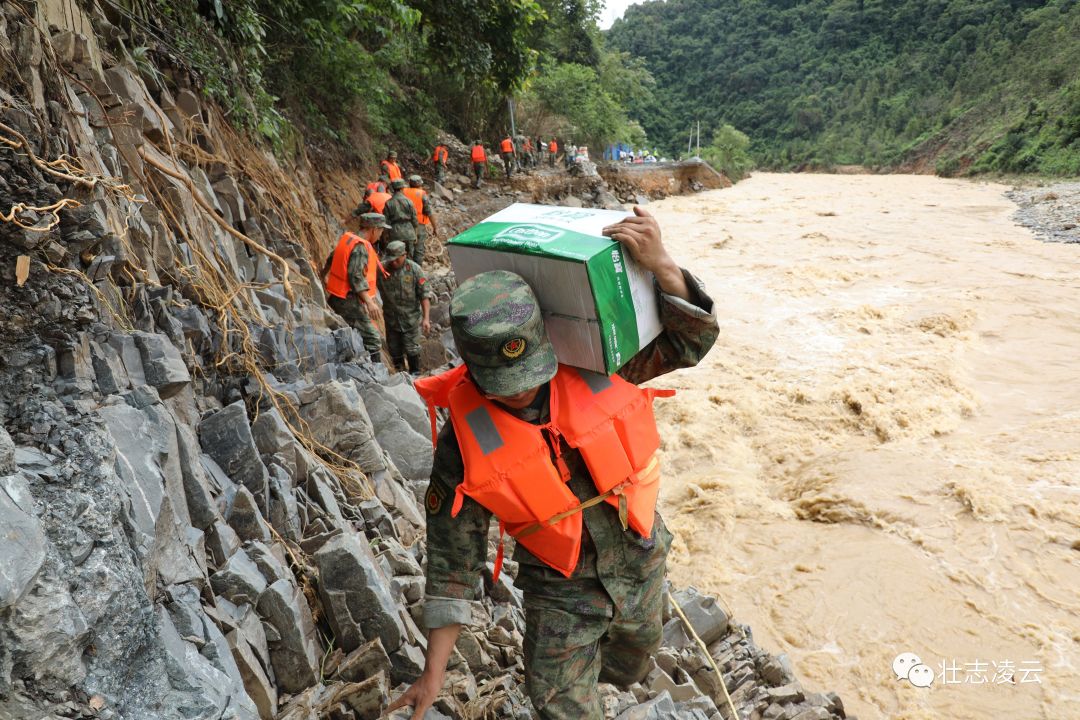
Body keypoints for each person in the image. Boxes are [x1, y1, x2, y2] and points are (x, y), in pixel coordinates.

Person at [387, 207, 719, 720]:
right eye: (505, 384)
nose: (521, 390)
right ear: (472, 372)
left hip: (639, 561)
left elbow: (689, 342)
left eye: (529, 374)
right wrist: (434, 674)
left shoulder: (592, 364)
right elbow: (453, 561)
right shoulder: (465, 443)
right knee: (556, 699)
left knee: (632, 664)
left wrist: (662, 264)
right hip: (559, 588)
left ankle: (613, 666)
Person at [320, 213, 391, 364]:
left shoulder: (348, 239)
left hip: (336, 297)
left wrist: (323, 277)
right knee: (373, 338)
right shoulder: (361, 247)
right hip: (348, 300)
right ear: (373, 229)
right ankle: (378, 375)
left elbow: (331, 258)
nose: (381, 235)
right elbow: (356, 276)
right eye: (380, 231)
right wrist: (370, 302)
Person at [376, 240, 433, 375]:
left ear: (404, 255)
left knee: (412, 349)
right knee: (394, 350)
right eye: (391, 260)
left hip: (410, 319)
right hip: (391, 319)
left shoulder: (414, 270)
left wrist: (426, 318)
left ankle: (415, 374)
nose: (393, 263)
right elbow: (369, 284)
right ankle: (400, 373)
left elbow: (424, 295)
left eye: (396, 260)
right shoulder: (382, 269)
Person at [402, 175, 438, 266]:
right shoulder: (422, 194)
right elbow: (429, 212)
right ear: (420, 184)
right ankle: (417, 273)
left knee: (406, 249)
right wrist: (435, 227)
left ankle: (406, 269)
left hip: (403, 225)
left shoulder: (403, 192)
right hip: (419, 226)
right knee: (418, 250)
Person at [383, 177, 419, 262]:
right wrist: (415, 234)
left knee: (396, 257)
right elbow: (414, 220)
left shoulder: (388, 203)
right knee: (409, 257)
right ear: (403, 188)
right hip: (409, 232)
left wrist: (385, 236)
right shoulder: (409, 201)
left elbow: (386, 222)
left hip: (395, 232)